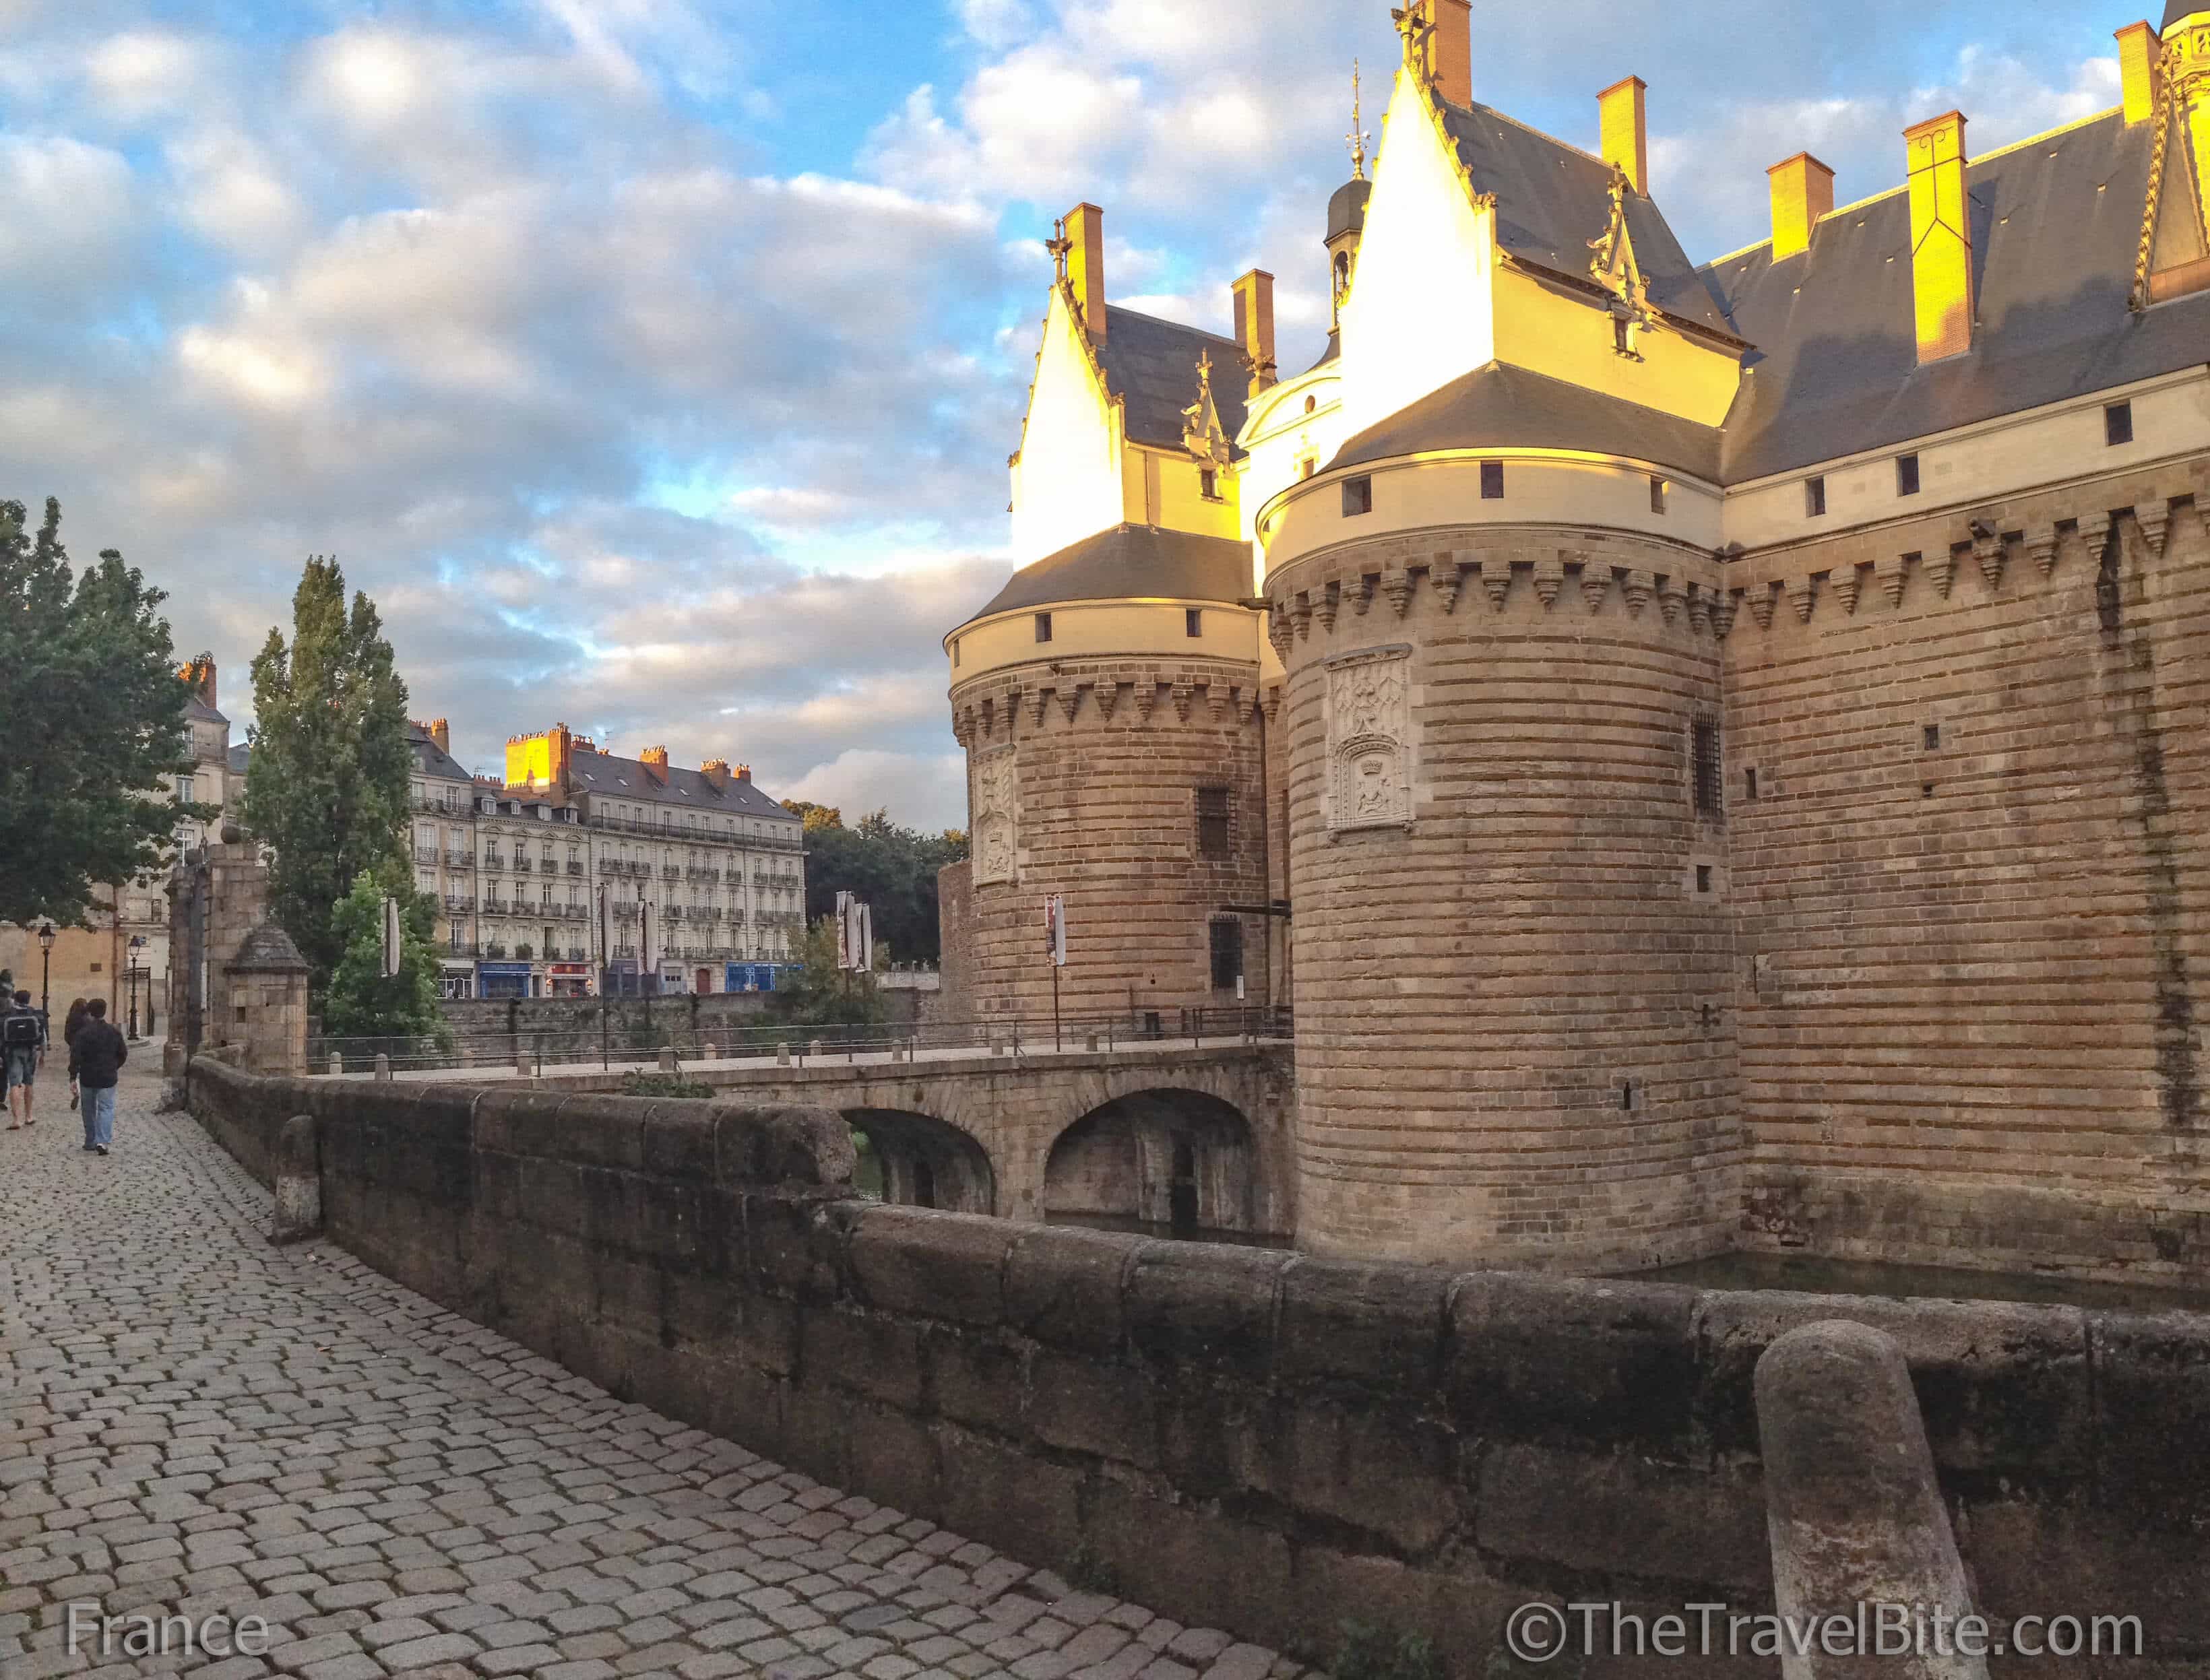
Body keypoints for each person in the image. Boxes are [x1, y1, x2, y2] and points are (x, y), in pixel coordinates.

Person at [68, 998, 125, 1156]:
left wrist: (73, 1076)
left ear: (90, 1012)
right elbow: (122, 1054)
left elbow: (75, 1056)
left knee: (88, 1109)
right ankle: (103, 1141)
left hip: (88, 1076)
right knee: (106, 1108)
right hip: (107, 1076)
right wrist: (114, 1066)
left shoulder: (83, 1033)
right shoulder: (114, 1032)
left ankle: (90, 1140)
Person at [3, 988, 45, 1130]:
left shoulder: (7, 1015)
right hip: (31, 1050)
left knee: (14, 1083)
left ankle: (16, 1120)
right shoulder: (35, 1014)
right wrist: (43, 1055)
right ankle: (29, 1116)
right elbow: (42, 1037)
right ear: (28, 1000)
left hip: (13, 1051)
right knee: (29, 1082)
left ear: (15, 999)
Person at [61, 998, 88, 1113]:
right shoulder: (88, 1019)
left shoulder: (70, 1019)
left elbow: (66, 1035)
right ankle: (86, 1096)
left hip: (75, 1048)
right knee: (86, 1073)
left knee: (74, 1072)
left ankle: (75, 1092)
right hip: (87, 1050)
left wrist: (72, 1044)